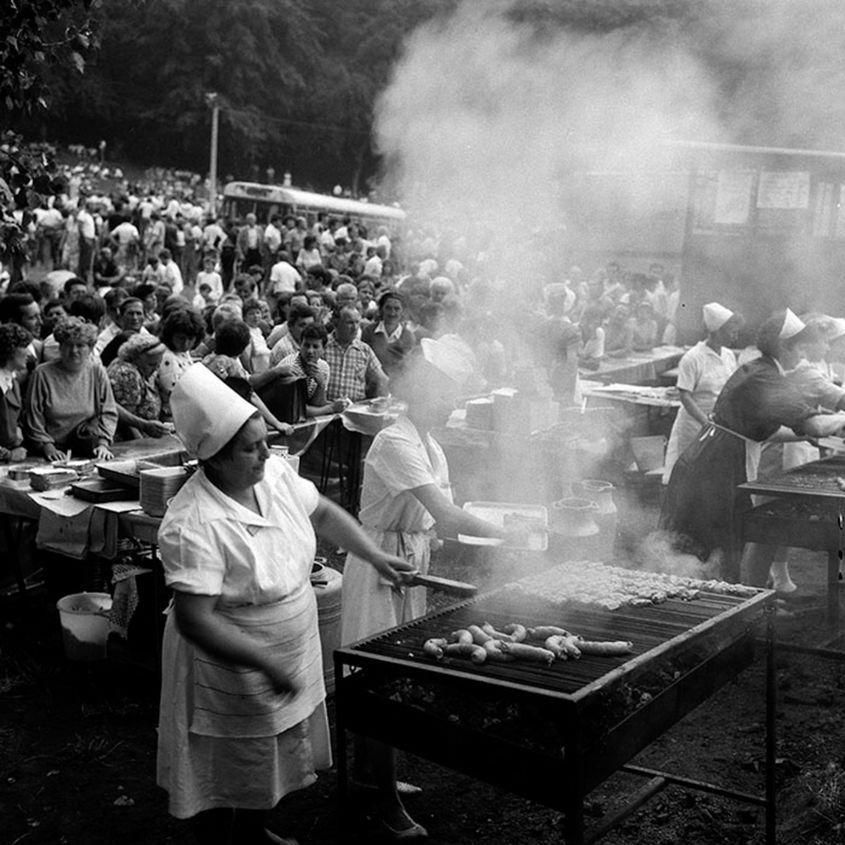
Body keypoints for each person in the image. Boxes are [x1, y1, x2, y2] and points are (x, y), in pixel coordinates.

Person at [156, 364, 416, 841]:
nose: (266, 453)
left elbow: (324, 514)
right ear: (214, 458)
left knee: (267, 755)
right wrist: (262, 661)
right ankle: (225, 836)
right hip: (229, 667)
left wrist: (375, 555)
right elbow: (196, 620)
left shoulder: (273, 475)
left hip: (288, 648)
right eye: (250, 448)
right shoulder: (193, 522)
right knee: (226, 761)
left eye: (264, 441)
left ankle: (254, 831)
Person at [340, 345, 512, 839]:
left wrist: (486, 531)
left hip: (410, 558)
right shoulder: (394, 441)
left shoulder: (430, 445)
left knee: (384, 673)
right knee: (378, 679)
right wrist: (511, 532)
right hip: (379, 560)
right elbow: (448, 512)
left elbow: (444, 522)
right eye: (447, 395)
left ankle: (368, 774)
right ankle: (386, 802)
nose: (453, 404)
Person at [660, 309, 845, 585]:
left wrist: (804, 437)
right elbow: (816, 425)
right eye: (799, 348)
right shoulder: (765, 378)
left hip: (713, 457)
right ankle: (723, 599)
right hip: (718, 464)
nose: (802, 354)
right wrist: (838, 420)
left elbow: (763, 431)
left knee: (715, 544)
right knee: (712, 546)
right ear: (783, 346)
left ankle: (730, 595)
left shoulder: (760, 369)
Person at [662, 303, 741, 484]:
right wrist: (705, 423)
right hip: (693, 424)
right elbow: (685, 396)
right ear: (717, 331)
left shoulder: (728, 355)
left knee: (710, 475)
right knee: (687, 473)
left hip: (719, 425)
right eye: (732, 332)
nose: (735, 336)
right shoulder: (693, 357)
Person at [24, 316, 117, 461]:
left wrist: (103, 444)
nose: (74, 351)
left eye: (80, 345)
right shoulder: (42, 374)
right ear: (60, 346)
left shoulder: (97, 371)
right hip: (51, 450)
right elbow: (33, 417)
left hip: (87, 446)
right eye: (68, 345)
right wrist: (47, 447)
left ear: (90, 348)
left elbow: (109, 411)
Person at [107, 334, 170, 440]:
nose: (155, 369)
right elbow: (127, 422)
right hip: (127, 442)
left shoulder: (144, 370)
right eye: (151, 365)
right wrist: (142, 443)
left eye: (158, 364)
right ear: (136, 358)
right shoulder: (126, 374)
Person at [279, 324, 346, 417]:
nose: (310, 351)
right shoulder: (290, 367)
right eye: (306, 345)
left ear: (323, 349)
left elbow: (317, 405)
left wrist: (321, 385)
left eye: (315, 347)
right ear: (300, 345)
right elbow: (296, 410)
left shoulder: (323, 367)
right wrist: (331, 408)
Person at [325, 307, 388, 402]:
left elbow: (381, 379)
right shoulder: (323, 345)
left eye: (357, 322)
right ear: (336, 323)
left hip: (355, 408)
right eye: (349, 323)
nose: (355, 328)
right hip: (326, 407)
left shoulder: (364, 350)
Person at [156, 307, 206, 421]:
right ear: (171, 335)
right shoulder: (167, 357)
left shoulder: (182, 351)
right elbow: (173, 393)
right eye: (181, 338)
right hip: (174, 415)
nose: (185, 343)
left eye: (190, 339)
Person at [360, 291, 416, 377]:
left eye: (397, 309)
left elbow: (406, 367)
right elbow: (362, 360)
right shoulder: (369, 331)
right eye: (388, 308)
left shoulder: (408, 337)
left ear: (403, 311)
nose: (392, 313)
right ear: (381, 309)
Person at [0, 324, 31, 462]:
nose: (29, 353)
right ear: (10, 350)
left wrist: (17, 427)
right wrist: (8, 455)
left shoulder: (13, 382)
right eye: (24, 347)